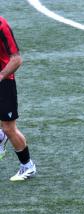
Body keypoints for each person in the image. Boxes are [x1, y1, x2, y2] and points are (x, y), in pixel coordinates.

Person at [0, 16, 36, 181]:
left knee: (9, 128)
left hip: (4, 82)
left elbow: (16, 59)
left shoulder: (1, 25)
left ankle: (28, 166)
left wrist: (0, 76)